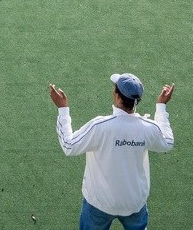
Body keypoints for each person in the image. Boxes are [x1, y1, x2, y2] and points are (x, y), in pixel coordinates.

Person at [50, 74, 175, 230]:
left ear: (117, 96)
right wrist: (161, 107)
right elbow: (168, 143)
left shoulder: (100, 126)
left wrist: (62, 109)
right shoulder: (149, 128)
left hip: (99, 205)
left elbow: (69, 145)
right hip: (134, 204)